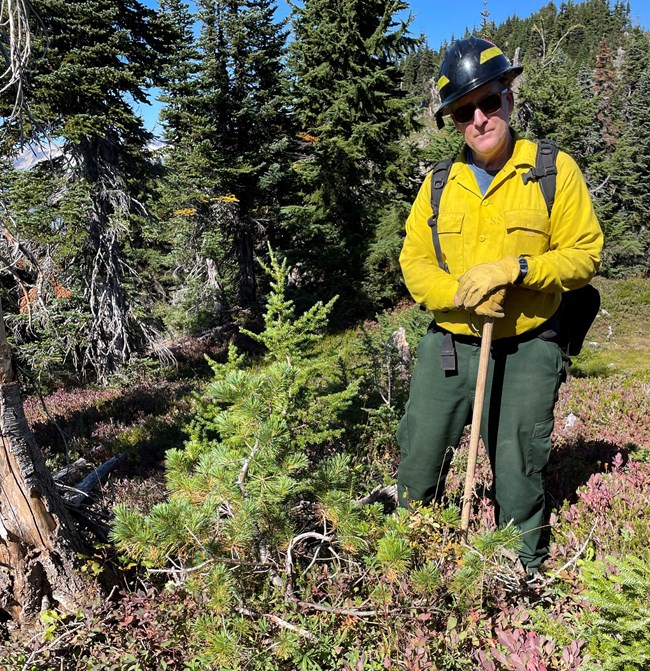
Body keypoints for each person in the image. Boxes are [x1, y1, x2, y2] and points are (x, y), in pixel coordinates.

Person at [396, 36, 604, 574]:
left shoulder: (554, 171)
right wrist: (463, 293)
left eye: (490, 101)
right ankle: (409, 571)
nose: (481, 118)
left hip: (530, 345)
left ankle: (521, 578)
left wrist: (518, 270)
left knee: (517, 465)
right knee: (419, 458)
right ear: (454, 120)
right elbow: (415, 264)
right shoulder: (440, 184)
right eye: (465, 110)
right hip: (448, 345)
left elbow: (584, 256)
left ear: (509, 99)